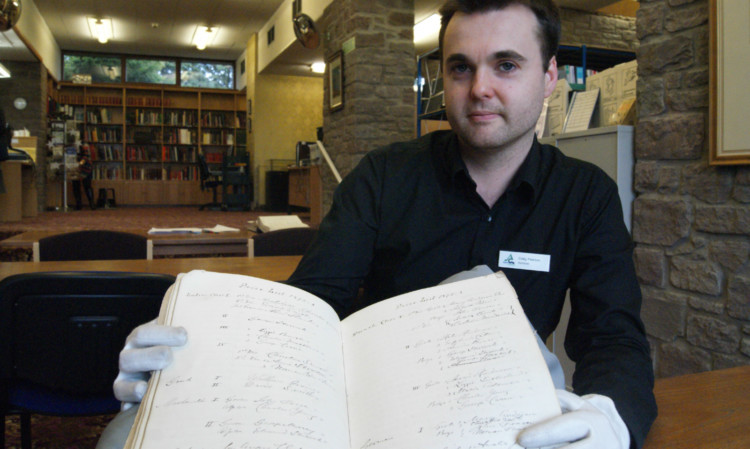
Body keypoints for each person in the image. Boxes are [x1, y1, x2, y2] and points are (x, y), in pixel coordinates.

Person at [103, 1, 657, 448]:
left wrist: (612, 416)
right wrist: (191, 366)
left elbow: (614, 338)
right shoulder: (384, 176)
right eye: (461, 67)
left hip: (500, 420)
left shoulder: (585, 195)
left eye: (506, 65)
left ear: (550, 76)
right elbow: (313, 305)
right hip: (366, 418)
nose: (480, 88)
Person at [72, 144, 95, 210]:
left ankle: (91, 203)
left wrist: (77, 163)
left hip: (85, 171)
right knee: (77, 187)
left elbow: (83, 160)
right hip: (81, 170)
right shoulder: (83, 153)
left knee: (87, 187)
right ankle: (80, 204)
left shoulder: (84, 152)